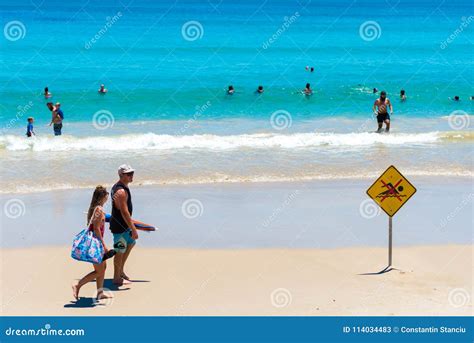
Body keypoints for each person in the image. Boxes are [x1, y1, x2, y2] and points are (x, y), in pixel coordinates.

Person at [72, 186, 114, 301]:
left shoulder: (95, 208)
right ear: (103, 196)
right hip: (96, 242)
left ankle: (100, 293)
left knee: (103, 267)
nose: (107, 198)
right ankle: (78, 284)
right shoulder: (99, 210)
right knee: (99, 270)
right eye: (106, 195)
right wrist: (104, 245)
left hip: (96, 241)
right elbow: (96, 229)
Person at [110, 164, 138, 286]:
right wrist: (133, 228)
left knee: (131, 243)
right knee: (119, 251)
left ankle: (120, 271)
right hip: (120, 227)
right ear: (121, 175)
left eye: (132, 173)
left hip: (124, 225)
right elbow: (124, 212)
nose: (132, 175)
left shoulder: (122, 187)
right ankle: (116, 278)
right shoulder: (120, 191)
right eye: (128, 174)